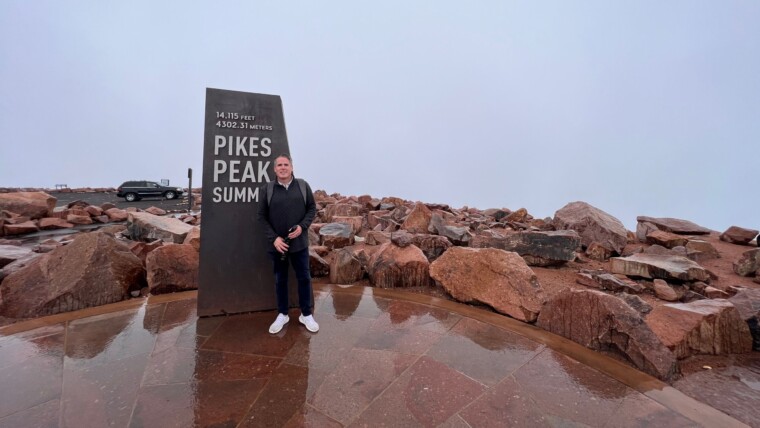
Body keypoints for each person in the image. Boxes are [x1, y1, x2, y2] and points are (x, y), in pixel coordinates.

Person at [257, 154, 319, 334]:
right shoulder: (267, 189)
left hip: (299, 244)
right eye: (280, 165)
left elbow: (311, 209)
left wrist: (302, 226)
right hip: (278, 246)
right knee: (280, 280)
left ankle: (306, 314)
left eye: (286, 165)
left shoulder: (302, 186)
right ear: (275, 169)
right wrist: (274, 238)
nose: (283, 167)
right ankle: (283, 314)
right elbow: (261, 217)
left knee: (304, 279)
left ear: (291, 168)